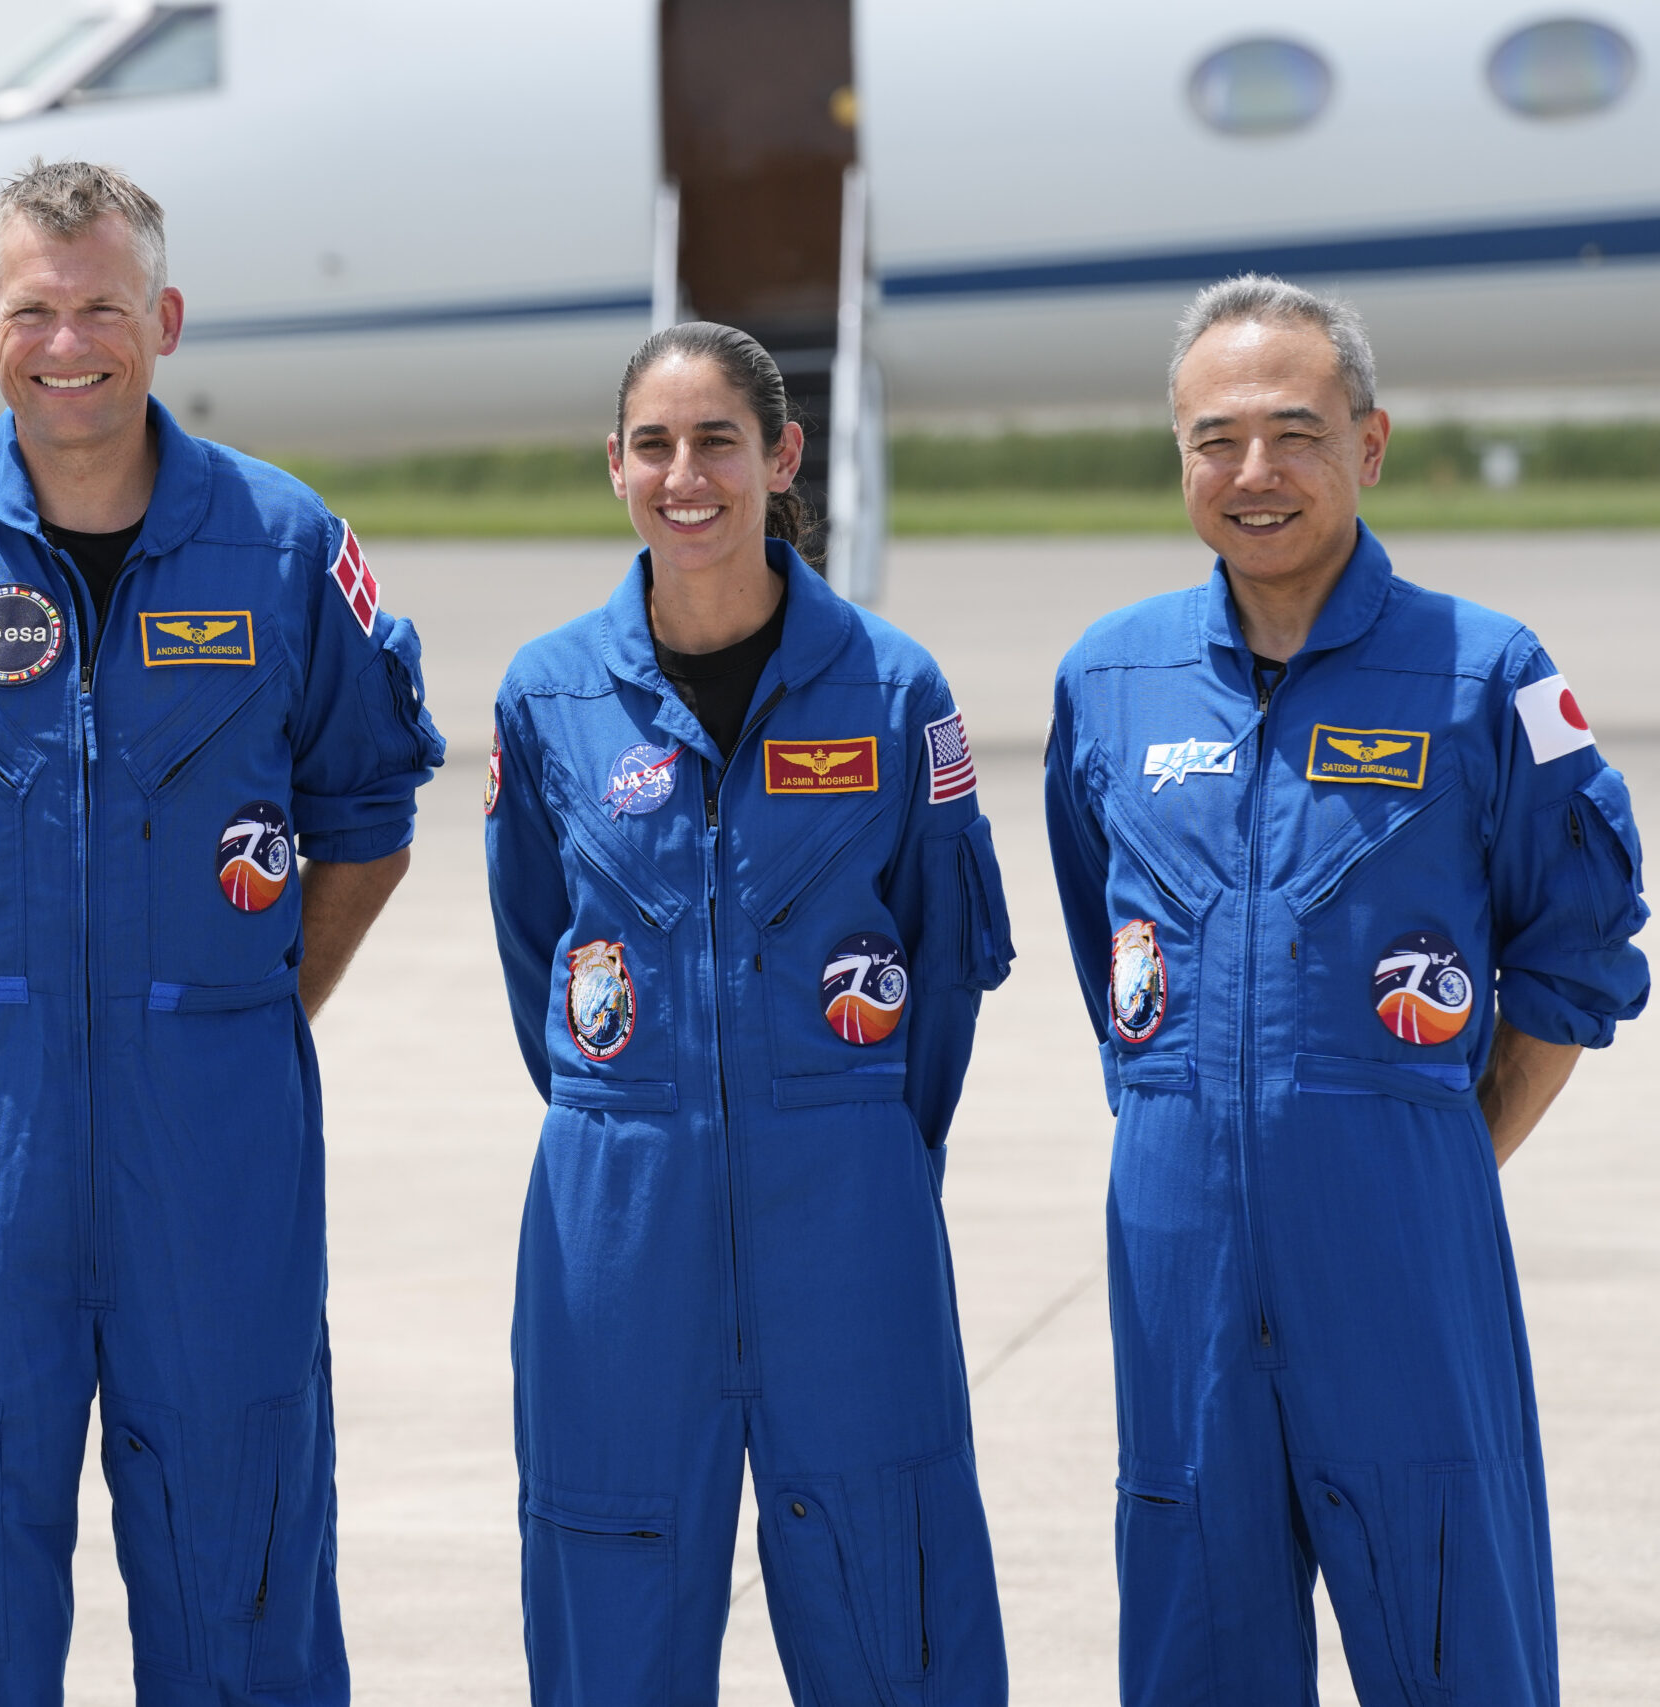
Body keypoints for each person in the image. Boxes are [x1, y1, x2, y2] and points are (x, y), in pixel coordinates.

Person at [0, 159, 442, 1704]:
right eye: (34, 309)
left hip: (215, 1135)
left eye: (101, 307)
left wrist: (247, 1005)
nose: (66, 342)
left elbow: (369, 812)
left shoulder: (286, 548)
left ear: (164, 317)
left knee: (242, 1553)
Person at [1043, 275, 1649, 1706]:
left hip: (1398, 1254)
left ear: (1369, 446)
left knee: (1453, 1629)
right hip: (1180, 1252)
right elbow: (1108, 955)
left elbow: (1578, 953)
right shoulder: (1107, 680)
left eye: (1297, 432)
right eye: (1216, 438)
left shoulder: (1487, 675)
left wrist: (1433, 1149)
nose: (1256, 473)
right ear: (1180, 454)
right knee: (1196, 1631)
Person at [482, 322, 1015, 1705]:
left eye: (718, 439)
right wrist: (645, 1112)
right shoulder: (547, 698)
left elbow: (942, 970)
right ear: (614, 468)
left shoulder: (896, 692)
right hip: (620, 1214)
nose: (685, 474)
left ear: (781, 457)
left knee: (891, 1590)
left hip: (846, 1206)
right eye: (653, 445)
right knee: (610, 1579)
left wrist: (860, 1148)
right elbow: (538, 943)